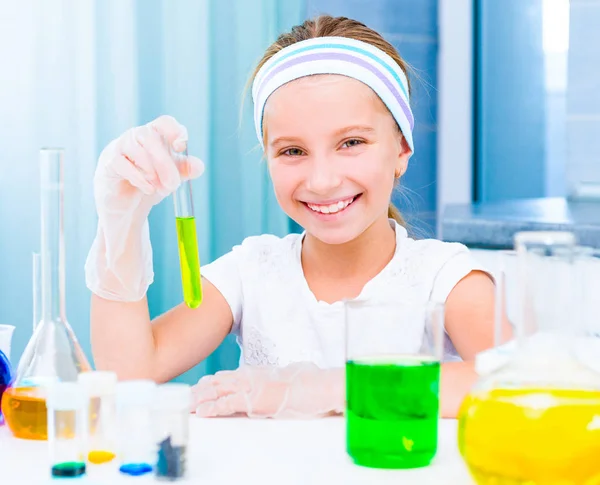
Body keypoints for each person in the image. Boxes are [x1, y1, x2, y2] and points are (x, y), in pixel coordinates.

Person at [86, 15, 504, 419]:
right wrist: (120, 222)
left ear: (401, 151)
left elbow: (517, 384)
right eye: (292, 151)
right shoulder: (251, 272)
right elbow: (130, 374)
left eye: (351, 142)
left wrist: (326, 388)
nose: (322, 181)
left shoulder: (444, 278)